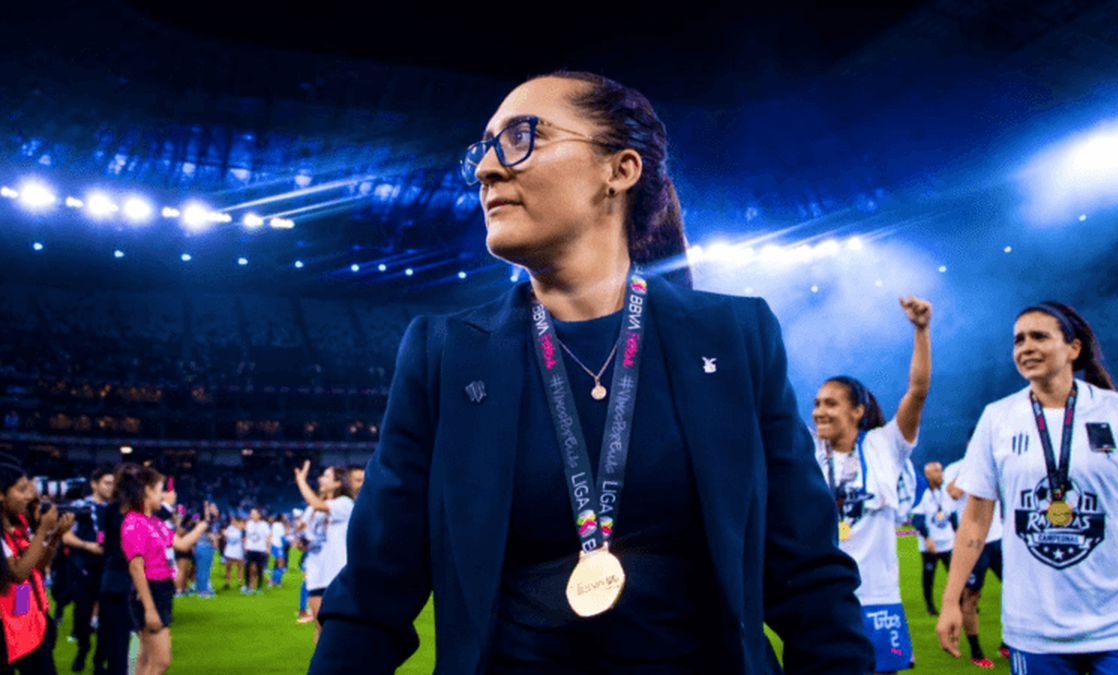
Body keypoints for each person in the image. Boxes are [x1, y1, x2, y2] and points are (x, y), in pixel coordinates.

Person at [309, 71, 873, 674]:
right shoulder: (442, 354)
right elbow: (373, 594)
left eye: (522, 137)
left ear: (619, 170)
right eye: (484, 149)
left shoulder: (736, 337)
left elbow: (809, 579)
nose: (486, 170)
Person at [937, 301, 1118, 674]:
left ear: (1073, 348)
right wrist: (950, 600)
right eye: (1019, 340)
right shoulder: (998, 418)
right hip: (1034, 630)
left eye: (1039, 336)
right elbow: (975, 520)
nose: (1026, 347)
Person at [812, 296, 932, 675]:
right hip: (824, 598)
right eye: (816, 403)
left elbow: (917, 391)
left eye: (830, 404)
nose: (819, 412)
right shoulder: (806, 452)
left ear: (857, 411)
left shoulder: (885, 445)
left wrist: (921, 330)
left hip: (878, 598)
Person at [0, 461, 73, 674]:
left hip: (20, 618)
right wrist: (43, 529)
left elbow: (36, 567)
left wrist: (54, 537)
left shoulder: (14, 523)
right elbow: (18, 573)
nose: (29, 496)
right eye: (22, 489)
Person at [118, 465, 208, 675]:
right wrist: (149, 608)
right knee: (160, 662)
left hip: (162, 589)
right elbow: (136, 568)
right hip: (151, 591)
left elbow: (182, 544)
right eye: (160, 490)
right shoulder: (133, 522)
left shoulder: (154, 522)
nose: (164, 496)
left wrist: (203, 524)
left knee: (146, 657)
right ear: (147, 491)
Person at [945, 453, 1007, 666]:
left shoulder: (997, 464)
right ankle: (976, 652)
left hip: (998, 539)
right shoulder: (956, 468)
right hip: (974, 544)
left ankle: (1007, 643)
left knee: (1016, 591)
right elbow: (954, 492)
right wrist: (974, 471)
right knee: (971, 596)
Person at [294, 462, 353, 644]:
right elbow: (305, 535)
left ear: (338, 483)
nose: (321, 479)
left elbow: (317, 504)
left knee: (339, 631)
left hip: (336, 573)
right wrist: (301, 540)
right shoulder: (311, 510)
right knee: (321, 630)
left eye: (326, 476)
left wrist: (301, 481)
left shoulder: (345, 503)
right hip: (316, 574)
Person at [62, 466, 114, 673]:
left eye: (113, 484)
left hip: (109, 569)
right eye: (107, 483)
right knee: (81, 616)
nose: (111, 487)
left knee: (107, 617)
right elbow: (65, 536)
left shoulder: (116, 508)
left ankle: (100, 661)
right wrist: (87, 546)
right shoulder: (79, 506)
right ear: (94, 484)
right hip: (83, 568)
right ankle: (83, 650)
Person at [912, 462, 956, 618]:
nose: (940, 474)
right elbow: (917, 520)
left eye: (941, 470)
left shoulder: (946, 492)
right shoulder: (922, 495)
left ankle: (961, 603)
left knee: (956, 575)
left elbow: (953, 515)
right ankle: (930, 607)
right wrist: (927, 538)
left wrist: (958, 533)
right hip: (930, 545)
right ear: (928, 475)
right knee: (929, 576)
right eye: (936, 471)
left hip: (948, 542)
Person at [242, 508, 270, 594]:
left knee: (259, 568)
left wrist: (267, 548)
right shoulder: (248, 524)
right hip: (250, 548)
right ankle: (248, 586)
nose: (252, 515)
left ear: (259, 515)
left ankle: (259, 587)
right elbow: (246, 536)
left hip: (260, 549)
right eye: (251, 514)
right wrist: (245, 547)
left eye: (254, 513)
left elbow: (268, 536)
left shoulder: (264, 525)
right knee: (247, 567)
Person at [221, 516, 244, 591]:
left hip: (238, 550)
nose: (233, 522)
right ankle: (227, 583)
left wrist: (226, 534)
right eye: (232, 521)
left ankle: (241, 583)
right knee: (228, 568)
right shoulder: (229, 528)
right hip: (230, 550)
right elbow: (227, 538)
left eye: (234, 521)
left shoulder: (240, 529)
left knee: (240, 568)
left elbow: (233, 538)